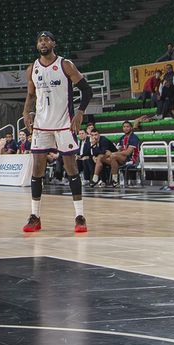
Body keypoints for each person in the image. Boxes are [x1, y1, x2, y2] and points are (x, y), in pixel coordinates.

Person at [21, 31, 93, 235]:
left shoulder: (65, 65)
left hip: (64, 124)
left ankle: (79, 216)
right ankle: (35, 216)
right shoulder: (32, 69)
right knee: (37, 171)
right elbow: (30, 95)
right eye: (40, 40)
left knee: (71, 169)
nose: (43, 42)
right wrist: (26, 111)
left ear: (53, 43)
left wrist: (80, 113)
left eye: (46, 39)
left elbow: (87, 91)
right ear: (37, 45)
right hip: (42, 125)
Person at [92, 121, 141, 187]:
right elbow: (119, 150)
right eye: (124, 127)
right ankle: (95, 179)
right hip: (120, 159)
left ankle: (114, 180)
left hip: (131, 159)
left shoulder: (134, 138)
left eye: (127, 127)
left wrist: (112, 153)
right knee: (100, 157)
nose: (125, 128)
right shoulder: (122, 138)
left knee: (113, 156)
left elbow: (128, 152)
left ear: (131, 128)